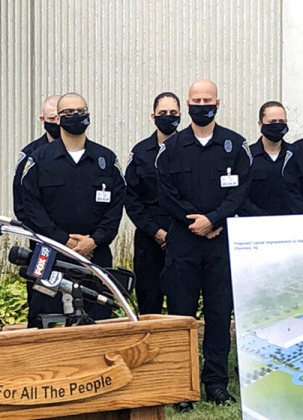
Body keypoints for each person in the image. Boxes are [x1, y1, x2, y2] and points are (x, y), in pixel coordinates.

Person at [156, 79, 250, 409]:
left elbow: (240, 192)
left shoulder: (236, 146)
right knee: (181, 316)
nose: (201, 104)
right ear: (188, 103)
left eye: (207, 99)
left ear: (218, 103)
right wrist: (193, 221)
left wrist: (214, 219)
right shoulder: (171, 148)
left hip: (220, 243)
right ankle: (182, 387)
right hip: (183, 243)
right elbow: (166, 193)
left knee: (219, 314)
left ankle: (216, 384)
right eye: (196, 99)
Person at [20, 93, 124, 325]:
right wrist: (64, 241)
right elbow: (31, 208)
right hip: (49, 255)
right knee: (46, 321)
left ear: (89, 115)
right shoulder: (38, 160)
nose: (76, 117)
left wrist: (94, 241)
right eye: (68, 113)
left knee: (98, 321)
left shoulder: (106, 160)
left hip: (95, 255)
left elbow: (116, 208)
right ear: (57, 119)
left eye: (80, 111)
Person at [124, 92, 180, 315]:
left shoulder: (188, 148)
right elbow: (131, 198)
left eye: (173, 113)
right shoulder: (140, 152)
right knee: (149, 303)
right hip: (149, 239)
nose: (168, 117)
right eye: (163, 113)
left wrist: (175, 233)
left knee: (181, 304)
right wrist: (156, 231)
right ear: (153, 116)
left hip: (182, 237)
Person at [239, 101, 294, 216]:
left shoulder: (295, 155)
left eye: (282, 121)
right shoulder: (247, 157)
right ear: (260, 124)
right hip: (255, 225)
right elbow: (240, 196)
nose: (277, 125)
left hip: (292, 225)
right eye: (272, 122)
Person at [13, 94, 61, 221]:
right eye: (51, 119)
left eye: (60, 118)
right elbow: (20, 200)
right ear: (42, 119)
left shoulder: (81, 151)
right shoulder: (30, 154)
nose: (57, 123)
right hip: (41, 235)